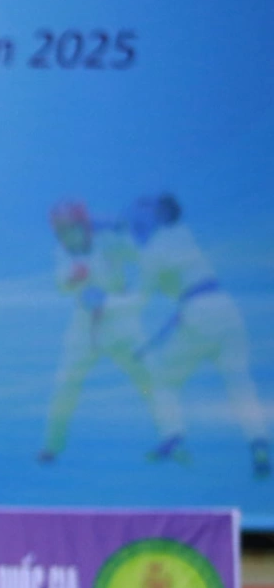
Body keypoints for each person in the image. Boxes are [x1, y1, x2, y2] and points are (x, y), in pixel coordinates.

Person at [128, 194, 271, 477]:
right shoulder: (184, 234)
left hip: (198, 314)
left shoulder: (156, 247)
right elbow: (189, 289)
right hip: (226, 310)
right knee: (239, 384)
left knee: (162, 380)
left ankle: (173, 438)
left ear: (157, 216)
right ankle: (259, 444)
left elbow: (140, 296)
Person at [37, 200, 156, 463]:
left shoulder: (109, 242)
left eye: (70, 228)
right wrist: (72, 279)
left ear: (83, 226)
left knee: (147, 377)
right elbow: (62, 285)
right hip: (84, 324)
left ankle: (171, 436)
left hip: (120, 320)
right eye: (60, 231)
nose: (65, 236)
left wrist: (125, 230)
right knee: (66, 385)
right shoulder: (62, 252)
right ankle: (52, 446)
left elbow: (139, 252)